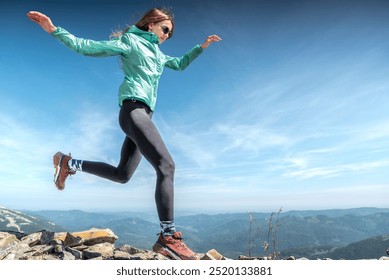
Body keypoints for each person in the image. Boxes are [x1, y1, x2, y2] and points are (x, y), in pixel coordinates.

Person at [27, 8, 221, 260]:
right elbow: (87, 47)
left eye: (170, 34)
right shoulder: (130, 41)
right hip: (133, 112)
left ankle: (68, 162)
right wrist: (55, 30)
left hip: (144, 117)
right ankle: (168, 236)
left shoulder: (159, 55)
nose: (166, 36)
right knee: (167, 166)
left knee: (122, 175)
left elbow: (180, 64)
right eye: (165, 30)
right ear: (151, 24)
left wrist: (202, 46)